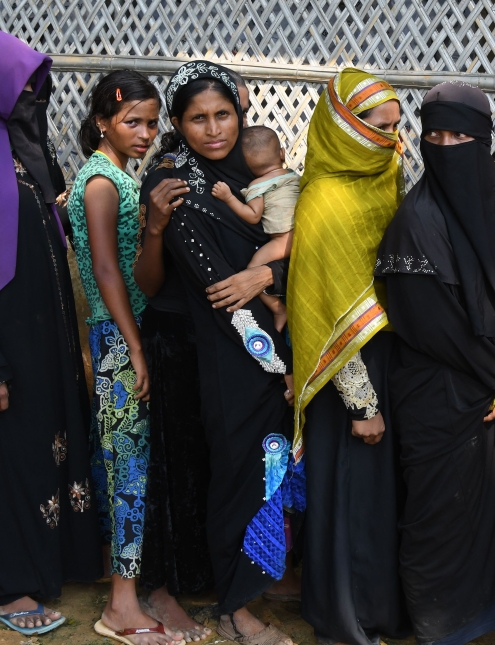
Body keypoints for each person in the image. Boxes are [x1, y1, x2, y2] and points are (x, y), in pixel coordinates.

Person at [138, 60, 297, 645]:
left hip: (267, 341)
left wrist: (267, 278)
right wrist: (278, 364)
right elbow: (216, 288)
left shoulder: (256, 171)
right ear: (178, 123)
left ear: (241, 111)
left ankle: (249, 587)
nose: (213, 130)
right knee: (237, 471)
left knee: (261, 470)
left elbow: (296, 240)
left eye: (223, 114)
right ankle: (235, 608)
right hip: (229, 349)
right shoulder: (174, 184)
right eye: (197, 119)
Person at [374, 81, 495, 645]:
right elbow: (436, 329)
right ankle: (438, 625)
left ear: (484, 142)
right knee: (436, 514)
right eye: (434, 135)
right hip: (437, 391)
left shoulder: (493, 206)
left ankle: (486, 611)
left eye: (460, 135)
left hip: (487, 387)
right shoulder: (416, 222)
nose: (446, 145)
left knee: (487, 504)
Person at [289, 68, 409, 645]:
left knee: (377, 497)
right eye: (374, 128)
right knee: (351, 494)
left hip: (388, 360)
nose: (390, 141)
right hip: (348, 374)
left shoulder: (384, 176)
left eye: (395, 126)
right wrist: (363, 404)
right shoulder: (325, 200)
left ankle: (377, 610)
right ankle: (347, 617)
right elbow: (331, 305)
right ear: (341, 127)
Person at [66, 71, 185, 645]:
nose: (145, 133)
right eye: (132, 122)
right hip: (118, 340)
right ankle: (120, 607)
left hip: (123, 336)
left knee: (123, 462)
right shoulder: (101, 184)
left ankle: (125, 592)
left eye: (151, 122)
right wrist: (134, 345)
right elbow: (107, 271)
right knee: (127, 469)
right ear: (102, 123)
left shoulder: (109, 175)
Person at [0, 31, 101, 637]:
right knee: (13, 454)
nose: (34, 99)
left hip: (46, 334)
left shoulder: (28, 151)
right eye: (23, 86)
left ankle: (51, 560)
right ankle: (12, 584)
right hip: (9, 344)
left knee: (49, 442)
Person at [212, 125, 297, 331]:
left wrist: (228, 197)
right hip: (305, 233)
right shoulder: (294, 175)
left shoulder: (257, 185)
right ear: (282, 153)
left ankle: (278, 309)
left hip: (283, 240)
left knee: (252, 270)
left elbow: (253, 215)